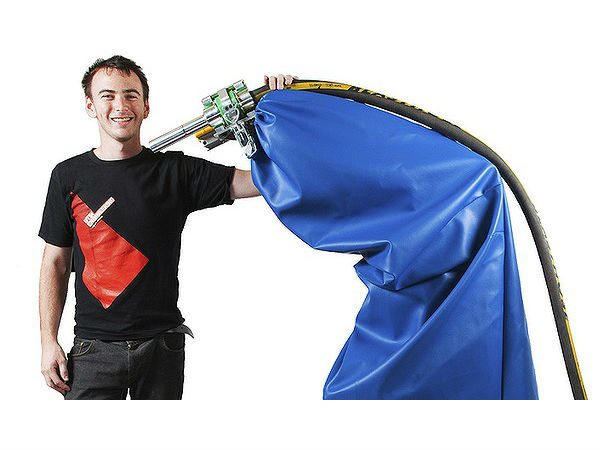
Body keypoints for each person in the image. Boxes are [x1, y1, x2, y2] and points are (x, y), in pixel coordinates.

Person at [38, 55, 296, 399]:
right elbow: (55, 263)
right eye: (107, 95)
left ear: (146, 106)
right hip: (93, 350)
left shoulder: (175, 172)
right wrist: (48, 341)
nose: (120, 105)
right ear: (90, 106)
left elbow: (266, 183)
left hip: (162, 348)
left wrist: (279, 111)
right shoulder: (68, 176)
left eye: (131, 95)